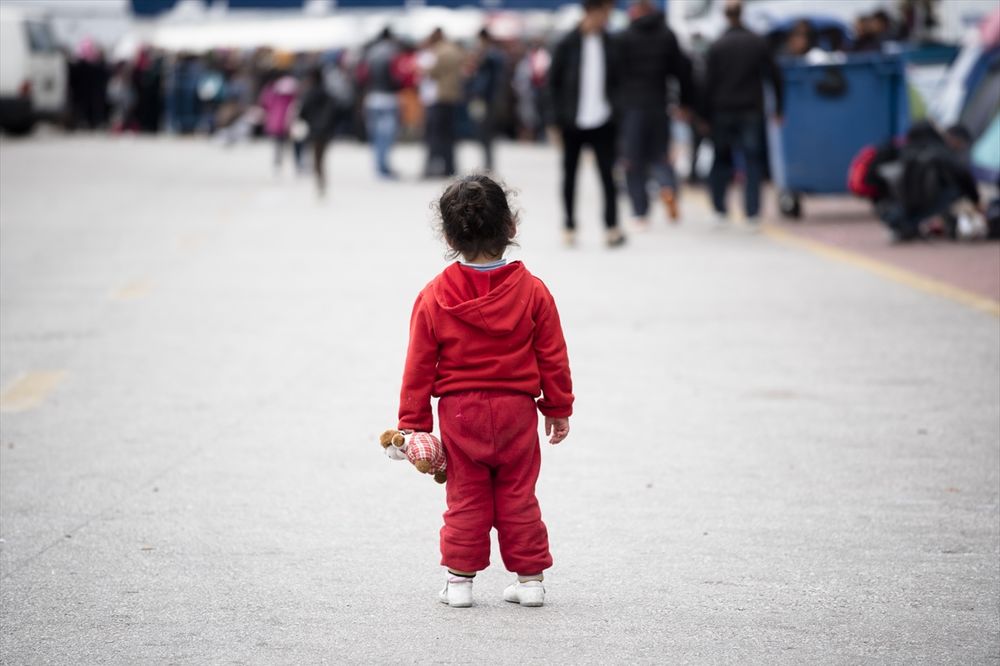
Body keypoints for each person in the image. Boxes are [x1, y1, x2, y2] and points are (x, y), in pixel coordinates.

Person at [395, 174, 573, 608]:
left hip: (460, 413)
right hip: (516, 411)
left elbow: (419, 365)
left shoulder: (434, 295)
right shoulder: (533, 291)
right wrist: (557, 407)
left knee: (465, 496)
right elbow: (552, 354)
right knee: (518, 493)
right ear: (510, 227)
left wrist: (413, 425)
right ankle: (530, 581)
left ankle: (459, 583)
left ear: (449, 236)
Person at [548, 0, 624, 247]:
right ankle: (569, 224)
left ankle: (611, 226)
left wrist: (618, 112)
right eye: (605, 12)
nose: (607, 18)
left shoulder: (611, 43)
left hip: (603, 120)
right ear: (592, 11)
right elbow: (552, 85)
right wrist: (553, 121)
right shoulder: (567, 43)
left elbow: (619, 81)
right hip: (572, 121)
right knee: (570, 175)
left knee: (608, 176)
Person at [703, 0, 783, 227]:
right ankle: (752, 212)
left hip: (722, 110)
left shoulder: (718, 45)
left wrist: (703, 115)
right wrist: (779, 107)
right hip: (750, 109)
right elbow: (774, 76)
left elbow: (707, 84)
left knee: (721, 159)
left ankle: (719, 209)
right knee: (752, 161)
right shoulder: (756, 42)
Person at [617, 0, 695, 226]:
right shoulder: (667, 35)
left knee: (633, 160)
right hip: (659, 104)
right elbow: (683, 69)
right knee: (660, 155)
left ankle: (640, 212)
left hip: (632, 106)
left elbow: (615, 73)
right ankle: (668, 187)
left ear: (637, 10)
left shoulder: (626, 36)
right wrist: (685, 102)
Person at [421, 29, 464, 178]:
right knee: (448, 136)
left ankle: (433, 168)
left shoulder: (441, 52)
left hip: (440, 97)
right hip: (452, 96)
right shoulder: (454, 50)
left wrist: (422, 69)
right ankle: (449, 167)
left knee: (435, 135)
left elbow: (432, 72)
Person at [362, 28, 402, 179]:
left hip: (372, 97)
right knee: (387, 135)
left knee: (376, 135)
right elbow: (397, 77)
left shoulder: (370, 53)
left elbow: (363, 77)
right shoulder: (393, 53)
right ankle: (384, 167)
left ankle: (378, 166)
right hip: (388, 98)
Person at [467, 28, 507, 172]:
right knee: (483, 132)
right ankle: (487, 163)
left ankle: (489, 164)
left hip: (488, 98)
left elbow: (492, 77)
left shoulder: (492, 54)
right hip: (484, 97)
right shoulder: (487, 54)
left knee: (486, 132)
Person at [298, 67, 337, 197]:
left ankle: (319, 181)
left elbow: (302, 113)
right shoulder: (328, 93)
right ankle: (321, 181)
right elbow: (334, 113)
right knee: (321, 158)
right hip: (326, 131)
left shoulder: (309, 93)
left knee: (316, 159)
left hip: (314, 130)